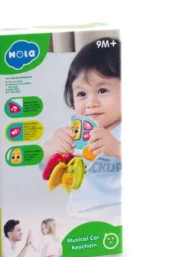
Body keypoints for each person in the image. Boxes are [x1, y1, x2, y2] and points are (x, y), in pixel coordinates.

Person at [43, 40, 121, 221]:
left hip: (119, 212)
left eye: (102, 90)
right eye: (81, 94)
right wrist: (53, 147)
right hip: (80, 214)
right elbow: (44, 164)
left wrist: (116, 148)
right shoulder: (76, 131)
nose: (91, 103)